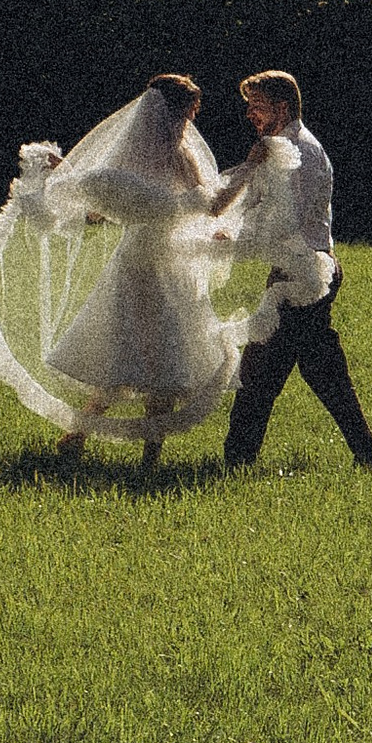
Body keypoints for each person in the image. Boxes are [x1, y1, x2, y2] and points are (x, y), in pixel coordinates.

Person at [33, 73, 237, 466]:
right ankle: (149, 455)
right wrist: (248, 171)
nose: (191, 121)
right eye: (189, 112)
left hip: (133, 259)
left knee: (123, 352)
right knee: (164, 358)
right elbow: (212, 205)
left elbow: (102, 207)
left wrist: (72, 177)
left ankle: (77, 435)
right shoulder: (178, 153)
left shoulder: (128, 150)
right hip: (163, 262)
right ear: (174, 113)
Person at [216, 69, 372, 471]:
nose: (251, 115)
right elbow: (258, 208)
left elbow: (286, 223)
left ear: (282, 107)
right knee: (321, 372)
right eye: (249, 107)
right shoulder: (275, 149)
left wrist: (238, 240)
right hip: (293, 273)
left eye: (257, 107)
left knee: (260, 371)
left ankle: (236, 460)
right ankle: (369, 458)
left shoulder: (302, 152)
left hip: (307, 275)